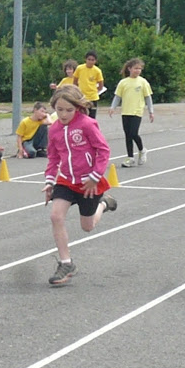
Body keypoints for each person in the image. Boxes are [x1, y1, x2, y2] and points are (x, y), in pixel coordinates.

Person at [42, 85, 116, 285]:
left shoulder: (87, 124)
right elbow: (53, 157)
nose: (64, 114)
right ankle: (66, 263)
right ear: (54, 108)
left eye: (69, 110)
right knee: (56, 216)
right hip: (66, 180)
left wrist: (94, 175)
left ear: (78, 108)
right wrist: (49, 180)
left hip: (88, 182)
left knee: (87, 226)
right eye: (60, 109)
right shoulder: (54, 129)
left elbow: (103, 150)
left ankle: (103, 204)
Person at [108, 58, 155, 168]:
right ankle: (130, 157)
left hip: (137, 111)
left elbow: (148, 98)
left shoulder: (143, 82)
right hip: (125, 111)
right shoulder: (123, 82)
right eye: (136, 68)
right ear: (129, 69)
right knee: (128, 135)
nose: (138, 70)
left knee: (134, 133)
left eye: (140, 69)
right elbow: (117, 96)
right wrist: (112, 107)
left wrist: (151, 112)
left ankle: (142, 150)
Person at [73, 50, 104, 119]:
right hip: (82, 96)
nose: (90, 61)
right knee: (81, 115)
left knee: (92, 116)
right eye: (89, 59)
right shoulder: (80, 68)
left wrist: (96, 90)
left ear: (95, 61)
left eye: (92, 60)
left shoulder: (97, 71)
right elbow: (75, 80)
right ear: (85, 59)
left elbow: (101, 83)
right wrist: (76, 90)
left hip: (93, 97)